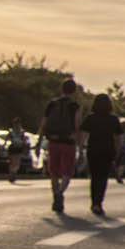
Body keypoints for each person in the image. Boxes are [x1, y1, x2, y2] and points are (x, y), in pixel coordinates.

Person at [42, 77, 84, 214]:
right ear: (74, 91)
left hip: (53, 141)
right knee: (67, 171)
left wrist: (38, 143)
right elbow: (78, 126)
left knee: (54, 172)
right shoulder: (74, 106)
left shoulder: (52, 104)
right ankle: (60, 192)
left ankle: (55, 195)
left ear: (62, 89)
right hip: (68, 142)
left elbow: (44, 123)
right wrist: (81, 147)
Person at [81, 94, 122, 218]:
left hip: (93, 150)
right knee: (103, 178)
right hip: (107, 151)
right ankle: (98, 203)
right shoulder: (113, 119)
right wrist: (117, 151)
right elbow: (118, 138)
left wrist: (81, 147)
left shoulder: (91, 118)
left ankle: (94, 202)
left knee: (94, 177)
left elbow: (83, 134)